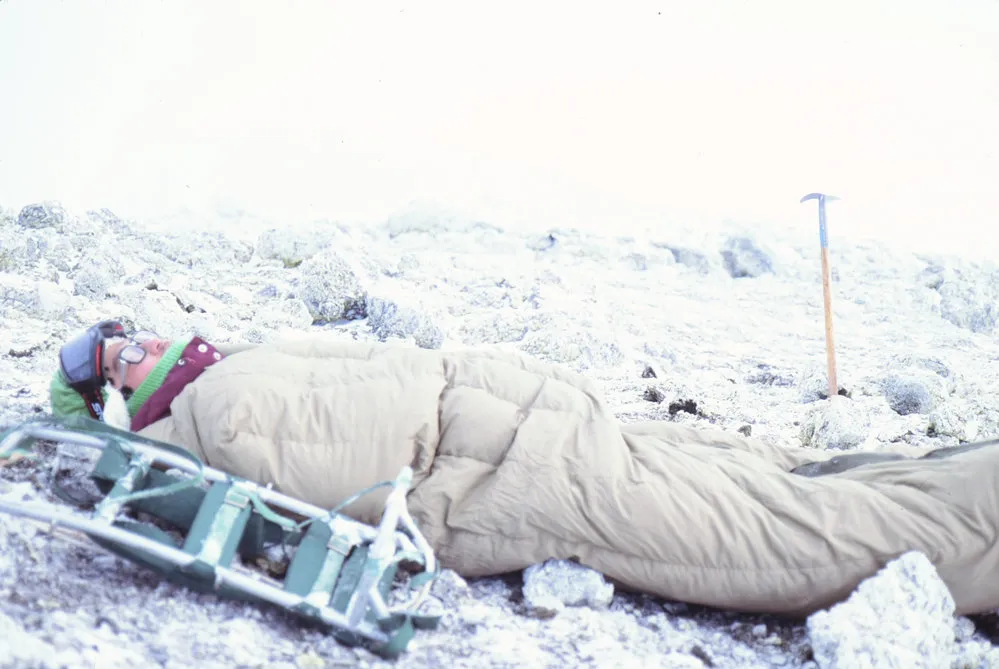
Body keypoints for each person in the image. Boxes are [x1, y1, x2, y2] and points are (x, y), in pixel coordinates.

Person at [48, 321, 999, 618]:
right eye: (116, 355)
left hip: (540, 420)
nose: (140, 340)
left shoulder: (229, 372)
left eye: (129, 328)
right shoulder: (186, 428)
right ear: (116, 403)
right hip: (521, 474)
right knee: (799, 539)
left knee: (794, 470)